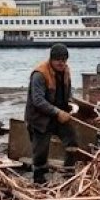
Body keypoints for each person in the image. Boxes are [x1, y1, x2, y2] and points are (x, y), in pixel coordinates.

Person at [25, 44, 78, 184]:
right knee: (40, 150)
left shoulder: (66, 71)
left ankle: (68, 172)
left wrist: (71, 104)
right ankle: (39, 178)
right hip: (39, 117)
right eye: (58, 60)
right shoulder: (40, 74)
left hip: (59, 115)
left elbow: (69, 91)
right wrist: (57, 112)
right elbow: (37, 100)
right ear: (51, 59)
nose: (61, 63)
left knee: (72, 140)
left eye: (64, 59)